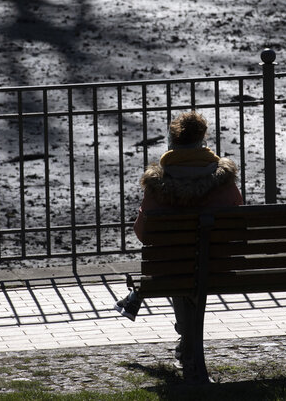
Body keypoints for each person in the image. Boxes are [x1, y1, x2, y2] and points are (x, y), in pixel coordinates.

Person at [113, 110, 242, 375]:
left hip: (172, 269)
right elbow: (238, 226)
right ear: (203, 140)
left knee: (179, 267)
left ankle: (187, 344)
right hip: (219, 267)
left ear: (172, 142)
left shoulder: (158, 183)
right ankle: (188, 347)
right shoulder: (224, 180)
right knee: (193, 264)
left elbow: (143, 233)